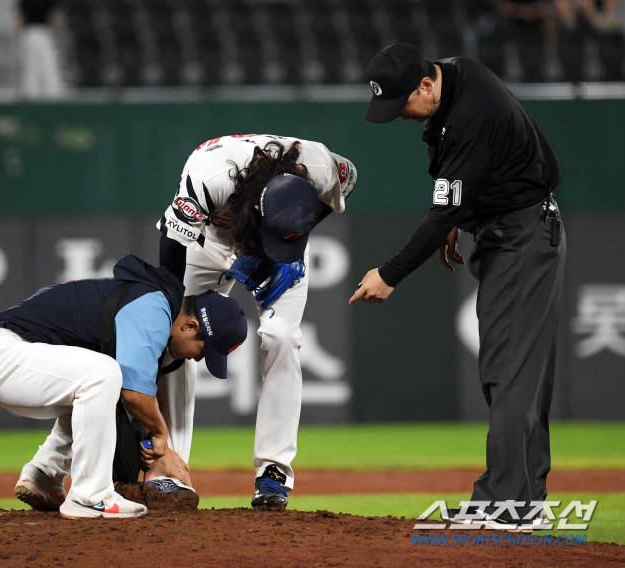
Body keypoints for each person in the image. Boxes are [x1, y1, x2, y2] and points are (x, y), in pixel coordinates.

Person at [351, 44, 565, 531]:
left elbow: (446, 207)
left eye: (401, 102)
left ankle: (505, 505)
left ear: (425, 85)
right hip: (512, 231)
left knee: (508, 371)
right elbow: (458, 190)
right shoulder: (454, 77)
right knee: (518, 374)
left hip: (521, 237)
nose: (400, 115)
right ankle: (522, 502)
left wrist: (391, 272)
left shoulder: (471, 110)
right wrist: (460, 219)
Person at [0, 254, 247, 519]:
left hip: (18, 358)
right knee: (105, 374)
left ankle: (44, 474)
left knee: (96, 391)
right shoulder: (154, 306)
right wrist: (160, 437)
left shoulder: (155, 309)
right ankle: (90, 496)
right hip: (5, 354)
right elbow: (134, 395)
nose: (199, 358)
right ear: (189, 326)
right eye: (204, 349)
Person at [157, 134, 357, 508]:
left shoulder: (320, 165)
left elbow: (350, 178)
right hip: (208, 241)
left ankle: (274, 473)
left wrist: (286, 242)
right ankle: (171, 471)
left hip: (279, 236)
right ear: (255, 207)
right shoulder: (210, 175)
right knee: (177, 337)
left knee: (281, 335)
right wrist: (173, 310)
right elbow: (172, 243)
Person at [18, 0, 65, 99]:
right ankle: (51, 93)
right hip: (43, 33)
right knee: (47, 65)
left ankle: (31, 94)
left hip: (31, 33)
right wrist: (55, 33)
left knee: (31, 67)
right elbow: (52, 17)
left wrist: (19, 34)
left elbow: (21, 17)